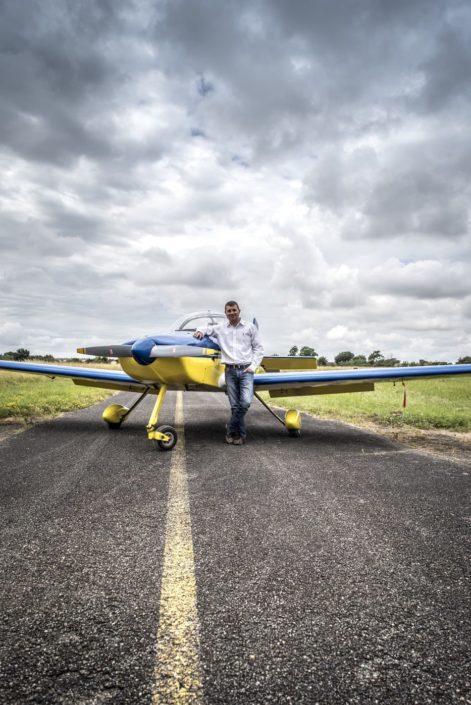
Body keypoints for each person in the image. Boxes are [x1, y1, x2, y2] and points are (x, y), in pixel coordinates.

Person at [194, 301, 264, 445]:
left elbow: (259, 349)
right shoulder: (220, 328)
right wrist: (200, 330)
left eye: (234, 310)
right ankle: (239, 436)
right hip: (229, 371)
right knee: (234, 406)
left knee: (244, 403)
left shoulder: (250, 327)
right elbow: (206, 328)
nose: (232, 313)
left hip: (246, 370)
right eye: (229, 311)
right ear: (226, 313)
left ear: (239, 310)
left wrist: (253, 366)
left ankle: (230, 428)